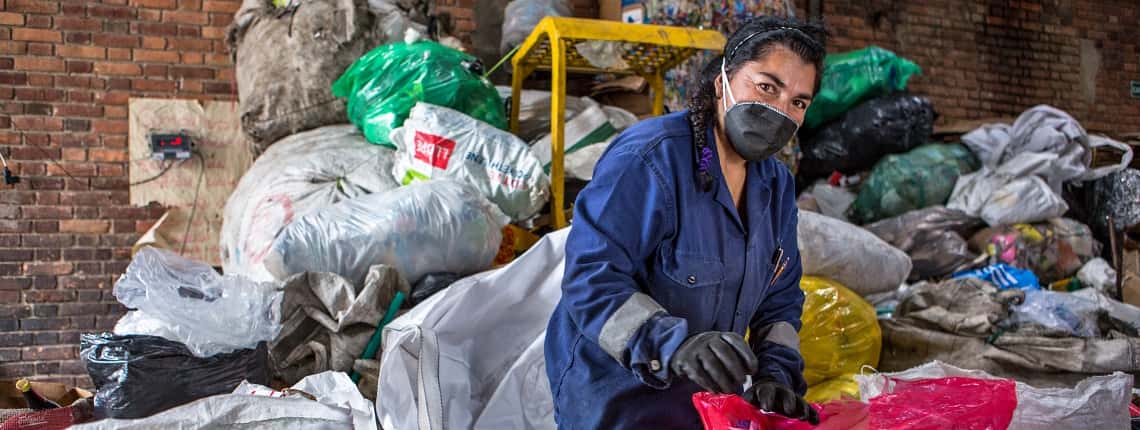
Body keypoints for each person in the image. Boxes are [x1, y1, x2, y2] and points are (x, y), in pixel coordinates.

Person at [544, 16, 829, 429]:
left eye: (798, 102)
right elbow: (591, 281)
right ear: (722, 82)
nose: (780, 111)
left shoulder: (775, 186)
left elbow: (779, 301)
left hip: (704, 407)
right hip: (615, 398)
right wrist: (673, 345)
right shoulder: (650, 160)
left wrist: (775, 376)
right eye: (767, 87)